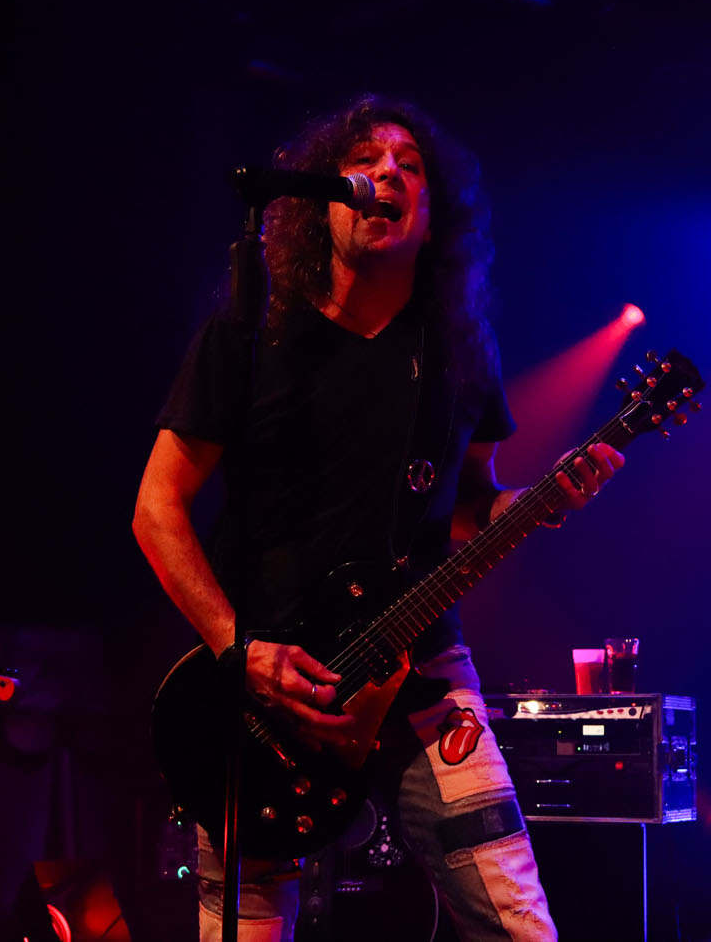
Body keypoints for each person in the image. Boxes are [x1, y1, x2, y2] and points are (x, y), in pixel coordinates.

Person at [133, 95, 624, 942]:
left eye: (409, 166)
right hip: (266, 680)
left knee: (520, 921)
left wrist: (539, 502)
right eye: (362, 160)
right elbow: (157, 508)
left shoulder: (459, 349)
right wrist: (237, 648)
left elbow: (469, 506)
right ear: (320, 200)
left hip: (419, 663)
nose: (384, 173)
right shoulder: (252, 332)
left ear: (433, 220)